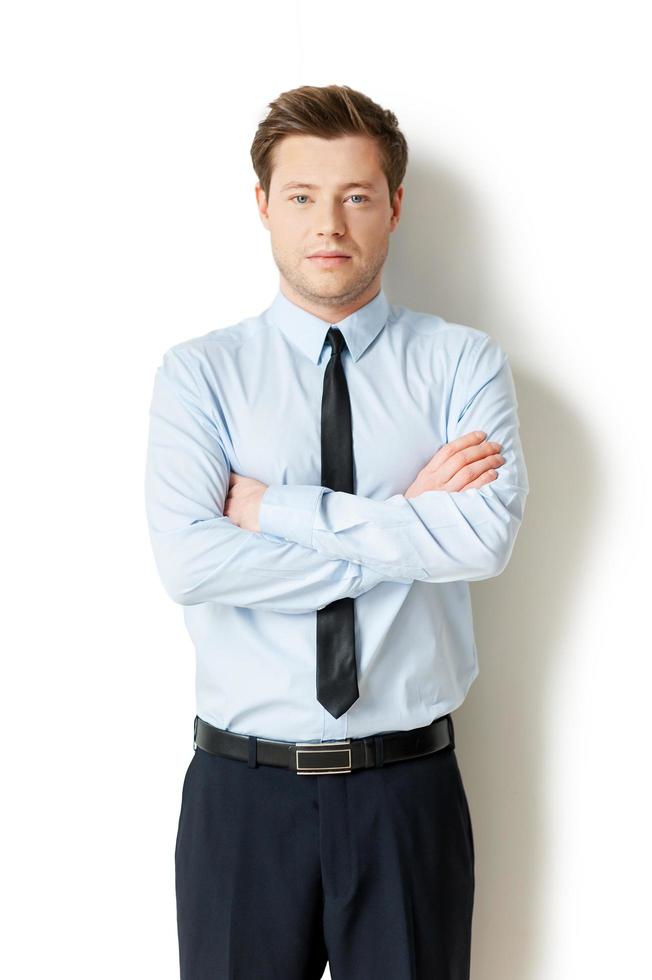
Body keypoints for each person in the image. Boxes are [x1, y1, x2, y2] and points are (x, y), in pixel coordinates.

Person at [144, 83, 529, 980]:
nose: (331, 223)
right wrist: (406, 528)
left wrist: (274, 509)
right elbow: (192, 561)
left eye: (357, 195)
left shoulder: (461, 365)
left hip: (406, 792)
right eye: (303, 196)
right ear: (262, 207)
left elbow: (481, 542)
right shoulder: (201, 376)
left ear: (395, 206)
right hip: (242, 798)